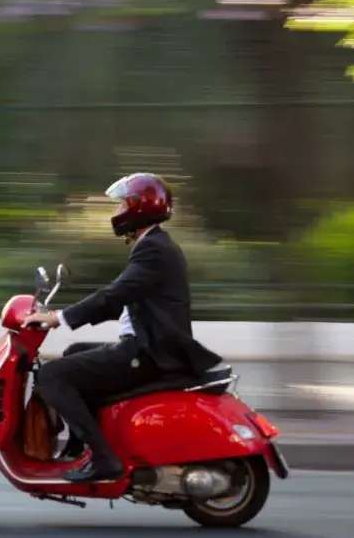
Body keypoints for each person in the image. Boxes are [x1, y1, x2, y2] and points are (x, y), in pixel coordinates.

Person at [22, 173, 223, 482]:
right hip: (148, 346)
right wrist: (60, 315)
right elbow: (120, 302)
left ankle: (104, 459)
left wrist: (60, 318)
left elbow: (114, 294)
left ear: (138, 209)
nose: (116, 212)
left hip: (150, 353)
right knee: (74, 352)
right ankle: (80, 445)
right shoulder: (156, 245)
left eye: (121, 206)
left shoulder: (153, 249)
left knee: (52, 376)